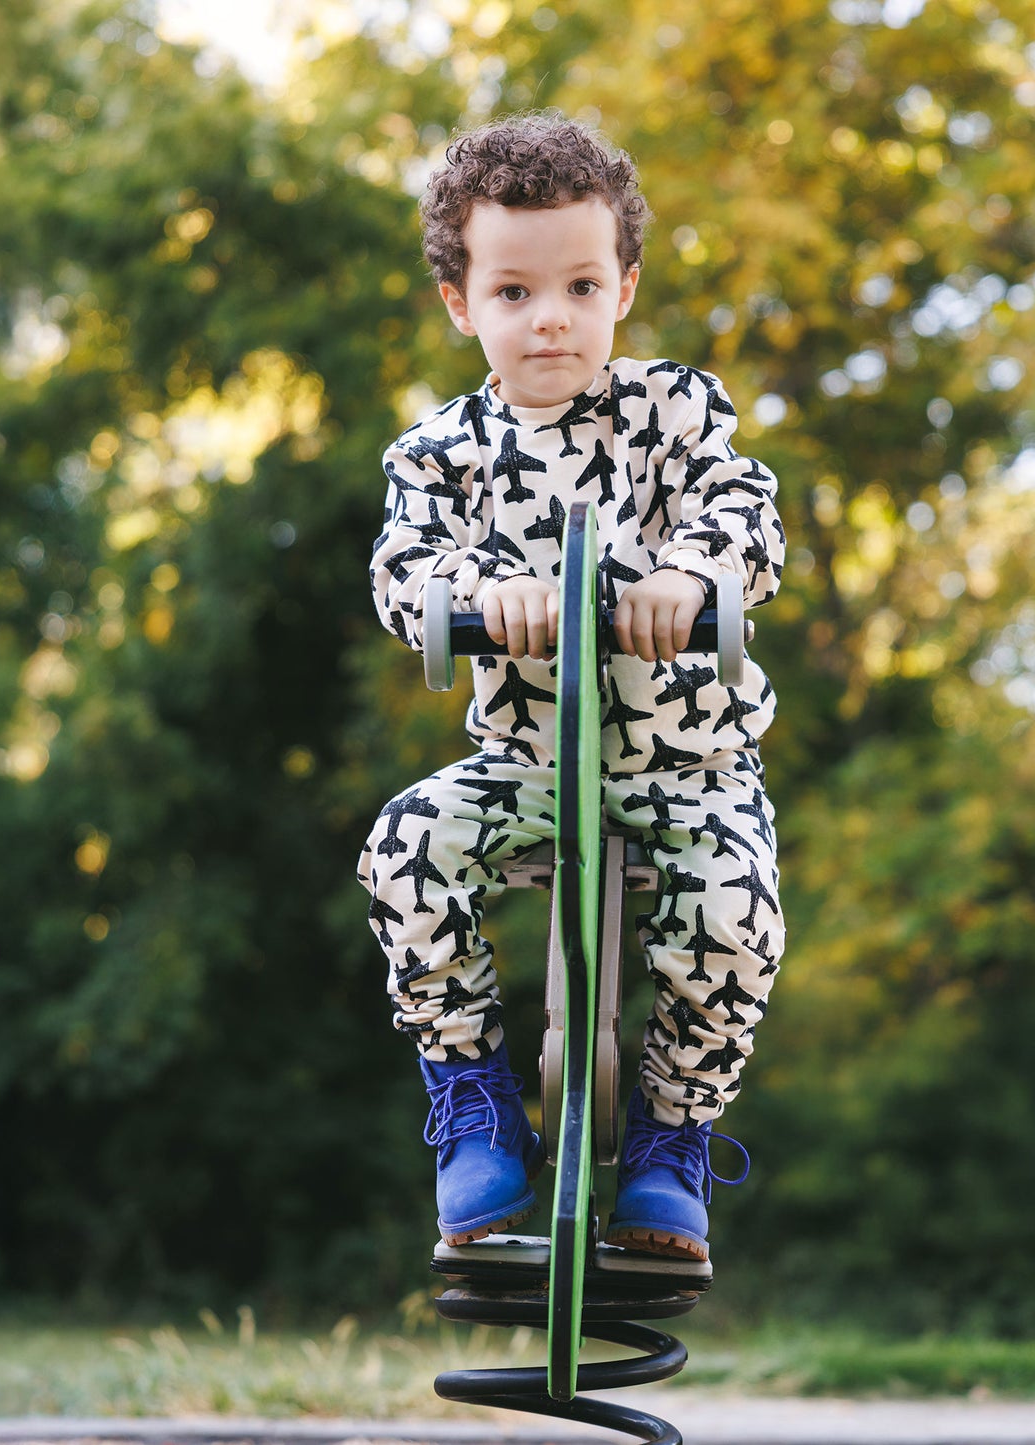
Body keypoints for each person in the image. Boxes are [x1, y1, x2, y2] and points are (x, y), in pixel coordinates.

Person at [357, 111, 785, 1262]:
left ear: (623, 287)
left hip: (687, 759)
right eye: (512, 292)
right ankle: (474, 1105)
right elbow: (402, 574)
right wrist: (475, 592)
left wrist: (694, 572)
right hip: (530, 762)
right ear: (462, 303)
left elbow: (743, 513)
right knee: (405, 843)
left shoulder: (674, 413)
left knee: (734, 908)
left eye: (580, 285)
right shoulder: (439, 453)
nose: (549, 316)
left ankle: (670, 1136)